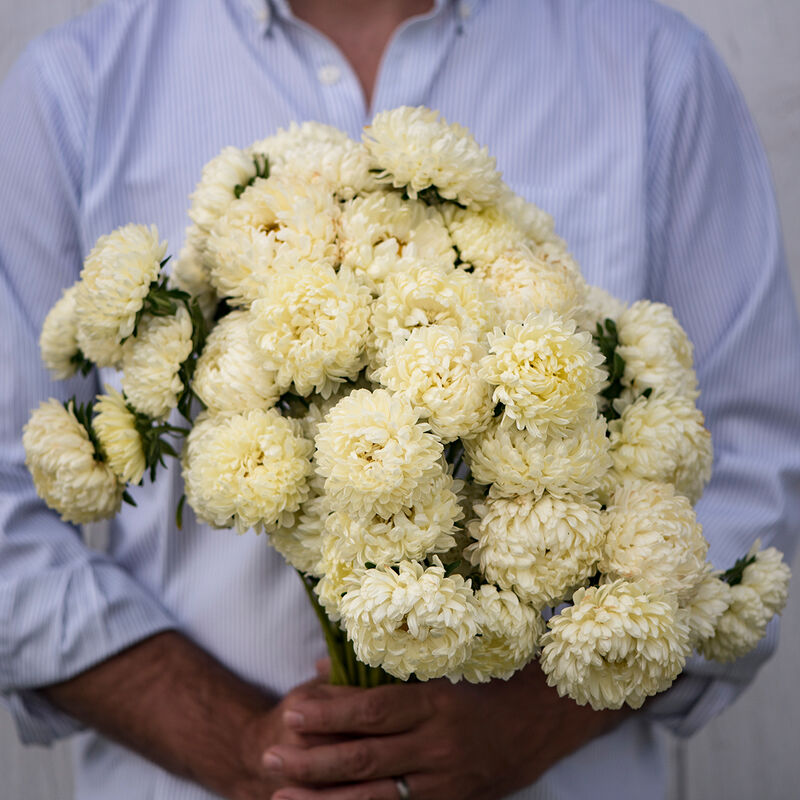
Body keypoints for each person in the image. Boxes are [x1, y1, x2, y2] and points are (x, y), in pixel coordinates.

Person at [1, 1, 799, 799]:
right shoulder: (78, 85)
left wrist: (532, 720)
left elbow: (750, 457)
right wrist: (244, 747)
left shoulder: (656, 69)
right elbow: (8, 518)